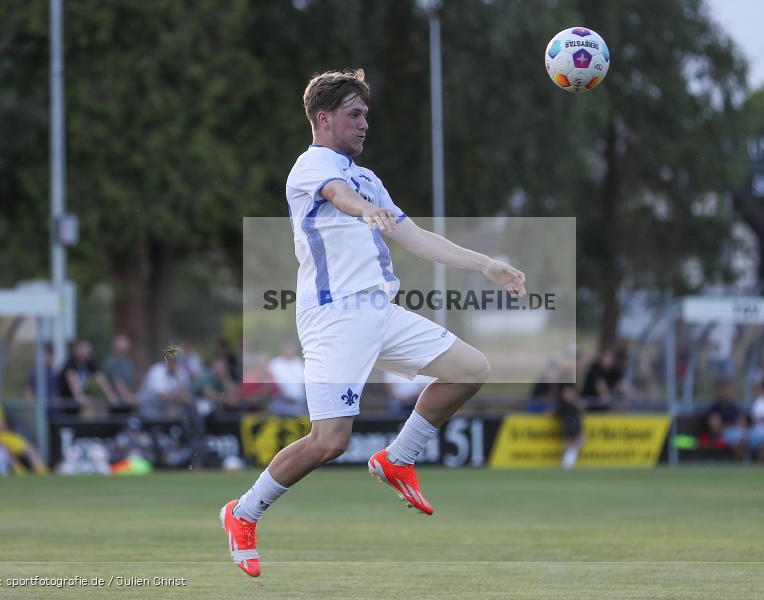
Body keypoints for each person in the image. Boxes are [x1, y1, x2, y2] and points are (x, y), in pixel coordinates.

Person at [220, 69, 526, 577]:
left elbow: (417, 238)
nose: (365, 124)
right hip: (334, 317)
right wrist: (363, 210)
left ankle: (397, 459)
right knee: (329, 442)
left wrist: (486, 264)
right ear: (324, 118)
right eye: (354, 114)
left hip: (379, 312)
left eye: (366, 114)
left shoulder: (368, 177)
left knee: (471, 368)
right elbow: (338, 195)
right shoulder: (312, 165)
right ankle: (242, 513)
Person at [57, 340, 119, 415]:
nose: (85, 351)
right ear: (76, 350)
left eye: (87, 348)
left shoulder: (89, 364)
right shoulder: (70, 365)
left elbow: (101, 379)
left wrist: (111, 396)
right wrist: (90, 401)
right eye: (82, 348)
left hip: (84, 401)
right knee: (91, 409)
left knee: (102, 409)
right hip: (69, 403)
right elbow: (77, 393)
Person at [704, 380, 747, 462]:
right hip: (722, 434)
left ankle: (758, 464)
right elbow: (715, 427)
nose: (728, 393)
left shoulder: (734, 406)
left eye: (730, 390)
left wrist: (740, 424)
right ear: (720, 391)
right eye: (725, 390)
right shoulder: (715, 407)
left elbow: (742, 422)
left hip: (737, 431)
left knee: (751, 435)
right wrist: (732, 424)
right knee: (741, 437)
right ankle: (738, 463)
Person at [267, 341, 308, 416]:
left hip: (300, 398)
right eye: (287, 349)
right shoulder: (275, 364)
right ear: (282, 350)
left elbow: (304, 381)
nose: (289, 351)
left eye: (290, 349)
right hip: (281, 398)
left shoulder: (298, 363)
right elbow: (273, 383)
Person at [102, 334, 138, 412]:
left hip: (127, 402)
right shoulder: (111, 361)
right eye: (121, 342)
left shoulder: (128, 361)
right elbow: (117, 382)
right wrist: (128, 397)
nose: (124, 344)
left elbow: (132, 380)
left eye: (126, 342)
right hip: (116, 403)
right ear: (115, 344)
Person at [556, 384, 586, 469]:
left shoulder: (575, 404)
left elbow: (581, 412)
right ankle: (566, 464)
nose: (568, 395)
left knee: (577, 443)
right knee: (570, 444)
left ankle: (567, 464)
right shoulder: (563, 406)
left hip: (575, 426)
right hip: (569, 427)